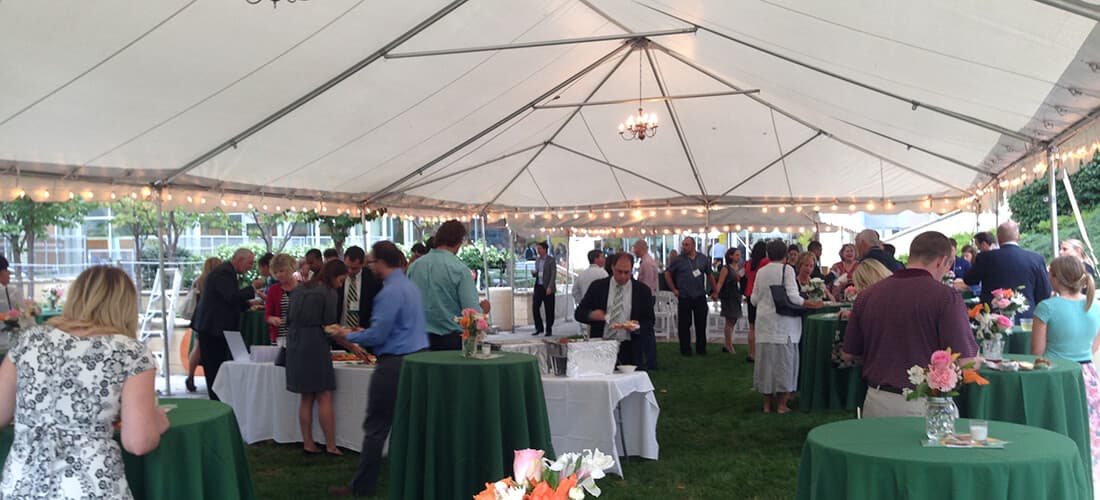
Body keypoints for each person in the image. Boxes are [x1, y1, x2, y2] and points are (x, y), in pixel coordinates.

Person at [0, 266, 169, 498]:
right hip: (90, 484)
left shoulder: (30, 339)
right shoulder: (130, 351)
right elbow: (138, 442)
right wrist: (156, 425)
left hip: (22, 483)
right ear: (126, 305)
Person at [327, 241, 429, 498]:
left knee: (376, 427)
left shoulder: (388, 293)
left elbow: (379, 334)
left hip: (393, 364)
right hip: (417, 360)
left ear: (381, 262)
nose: (370, 266)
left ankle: (361, 487)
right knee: (409, 426)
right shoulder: (410, 287)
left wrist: (347, 334)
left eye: (372, 261)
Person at [843, 231, 978, 417]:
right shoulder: (946, 297)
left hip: (876, 399)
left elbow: (849, 353)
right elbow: (965, 361)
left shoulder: (867, 295)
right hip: (925, 402)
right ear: (941, 261)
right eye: (949, 265)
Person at [1030, 256, 1100, 483]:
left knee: (1055, 426)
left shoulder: (1047, 307)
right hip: (1087, 375)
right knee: (1086, 429)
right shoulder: (1095, 306)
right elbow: (1094, 346)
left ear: (1056, 278)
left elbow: (1037, 352)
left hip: (1055, 372)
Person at [286, 259, 364, 456]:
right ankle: (330, 445)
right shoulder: (328, 293)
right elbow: (329, 327)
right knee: (324, 395)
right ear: (333, 276)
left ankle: (308, 443)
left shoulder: (300, 289)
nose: (340, 284)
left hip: (295, 343)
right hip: (314, 345)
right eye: (341, 279)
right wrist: (351, 344)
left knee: (306, 397)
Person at [751, 240, 820, 413]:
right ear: (786, 255)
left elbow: (754, 298)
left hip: (764, 324)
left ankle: (766, 404)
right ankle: (782, 405)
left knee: (765, 365)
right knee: (785, 365)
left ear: (768, 254)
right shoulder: (787, 270)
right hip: (784, 325)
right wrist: (810, 303)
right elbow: (793, 297)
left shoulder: (761, 271)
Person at [408, 220, 490, 350]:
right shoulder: (460, 270)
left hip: (418, 338)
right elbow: (471, 314)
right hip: (450, 339)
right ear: (459, 242)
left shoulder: (414, 267)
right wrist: (484, 309)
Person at [575, 252, 657, 370]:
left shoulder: (642, 291)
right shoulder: (598, 287)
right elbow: (579, 313)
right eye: (619, 272)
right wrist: (591, 315)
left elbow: (649, 321)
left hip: (630, 347)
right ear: (612, 267)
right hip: (602, 344)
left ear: (632, 270)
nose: (623, 276)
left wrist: (637, 326)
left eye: (627, 272)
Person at [193, 248, 256, 401]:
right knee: (214, 366)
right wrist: (252, 288)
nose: (250, 267)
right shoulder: (225, 272)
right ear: (239, 260)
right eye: (249, 263)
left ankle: (218, 397)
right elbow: (231, 297)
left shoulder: (227, 272)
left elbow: (225, 300)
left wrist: (247, 304)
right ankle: (216, 399)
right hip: (213, 328)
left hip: (215, 327)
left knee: (217, 365)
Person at [963, 221, 1052, 319]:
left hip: (993, 318)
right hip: (1026, 317)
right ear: (1018, 237)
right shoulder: (1036, 259)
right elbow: (1045, 292)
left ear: (999, 239)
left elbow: (969, 280)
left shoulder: (985, 258)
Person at [664, 237, 717, 356]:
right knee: (684, 325)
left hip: (699, 296)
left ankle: (701, 349)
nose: (684, 247)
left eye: (686, 245)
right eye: (683, 245)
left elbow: (710, 275)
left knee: (701, 324)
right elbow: (667, 273)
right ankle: (685, 349)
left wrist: (715, 290)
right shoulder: (678, 260)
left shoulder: (703, 259)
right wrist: (673, 289)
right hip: (684, 296)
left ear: (693, 246)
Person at [184, 256, 222, 393]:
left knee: (197, 348)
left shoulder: (199, 280)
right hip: (209, 321)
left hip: (199, 320)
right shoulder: (214, 281)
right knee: (200, 349)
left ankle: (190, 375)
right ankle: (193, 377)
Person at [339, 246, 382, 331]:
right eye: (347, 267)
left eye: (354, 268)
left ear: (362, 264)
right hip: (341, 331)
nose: (350, 271)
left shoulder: (373, 279)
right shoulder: (337, 276)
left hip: (364, 330)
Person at [713, 247, 744, 354]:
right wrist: (716, 292)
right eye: (736, 255)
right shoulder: (726, 268)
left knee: (734, 319)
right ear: (730, 256)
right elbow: (720, 282)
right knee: (729, 320)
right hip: (728, 296)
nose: (739, 257)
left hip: (736, 296)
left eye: (739, 255)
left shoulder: (739, 268)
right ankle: (729, 344)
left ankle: (727, 343)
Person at [743, 241, 770, 363]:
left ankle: (751, 353)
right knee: (762, 326)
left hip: (749, 294)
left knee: (752, 326)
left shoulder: (748, 264)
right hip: (762, 295)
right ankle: (760, 353)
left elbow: (741, 277)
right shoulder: (766, 263)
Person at [264, 254, 298, 345]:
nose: (278, 275)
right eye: (275, 272)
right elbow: (267, 315)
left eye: (281, 271)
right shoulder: (273, 290)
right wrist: (272, 319)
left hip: (300, 337)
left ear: (291, 269)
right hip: (280, 338)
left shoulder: (304, 288)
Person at [531, 241, 558, 336]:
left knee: (549, 309)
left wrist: (550, 287)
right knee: (535, 307)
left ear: (545, 249)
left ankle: (549, 329)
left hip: (547, 287)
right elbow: (538, 273)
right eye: (537, 249)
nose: (538, 250)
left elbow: (553, 274)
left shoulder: (551, 260)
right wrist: (534, 273)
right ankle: (539, 328)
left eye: (539, 249)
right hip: (539, 286)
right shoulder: (537, 260)